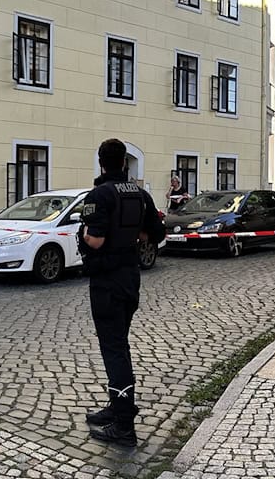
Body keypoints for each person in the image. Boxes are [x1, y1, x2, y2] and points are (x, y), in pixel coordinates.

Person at [78, 139, 166, 447]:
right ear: (124, 164)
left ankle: (124, 425)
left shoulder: (99, 195)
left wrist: (85, 236)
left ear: (102, 163)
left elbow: (96, 241)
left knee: (114, 350)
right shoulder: (140, 194)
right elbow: (156, 234)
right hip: (130, 278)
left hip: (107, 281)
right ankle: (117, 407)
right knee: (119, 344)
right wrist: (132, 236)